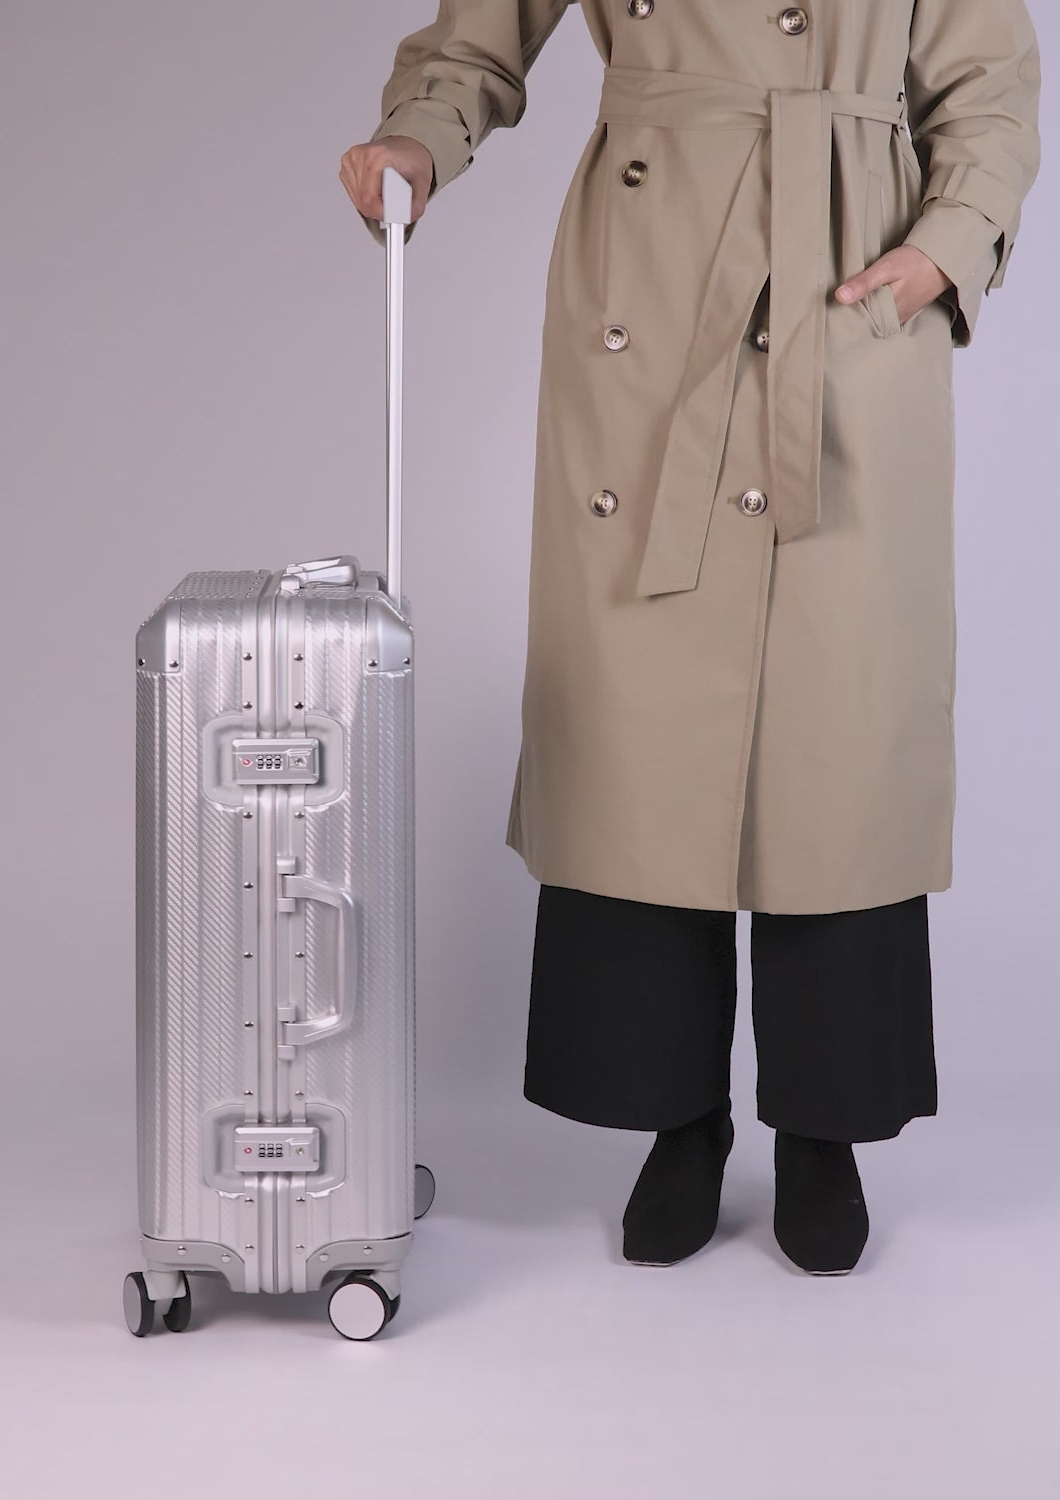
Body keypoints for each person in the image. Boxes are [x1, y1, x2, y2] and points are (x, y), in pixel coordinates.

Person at [339, 2, 1041, 1274]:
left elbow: (988, 82)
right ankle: (680, 1120)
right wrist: (418, 139)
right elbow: (476, 39)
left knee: (838, 726)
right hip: (653, 296)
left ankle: (823, 1133)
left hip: (846, 277)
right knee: (639, 718)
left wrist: (946, 245)